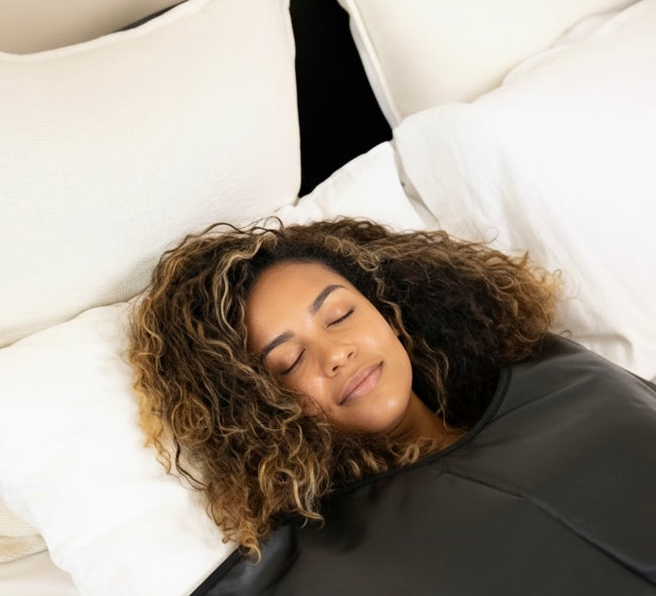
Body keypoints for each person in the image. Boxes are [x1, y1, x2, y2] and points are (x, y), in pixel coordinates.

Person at [129, 217, 559, 554]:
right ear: (268, 411)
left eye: (339, 316)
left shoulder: (545, 389)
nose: (335, 355)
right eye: (290, 361)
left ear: (388, 313)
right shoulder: (353, 553)